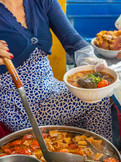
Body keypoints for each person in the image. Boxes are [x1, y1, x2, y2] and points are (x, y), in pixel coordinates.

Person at [0, 0, 112, 141]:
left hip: (50, 88)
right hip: (18, 104)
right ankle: (100, 156)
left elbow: (71, 38)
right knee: (96, 100)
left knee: (96, 93)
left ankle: (79, 152)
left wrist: (89, 59)